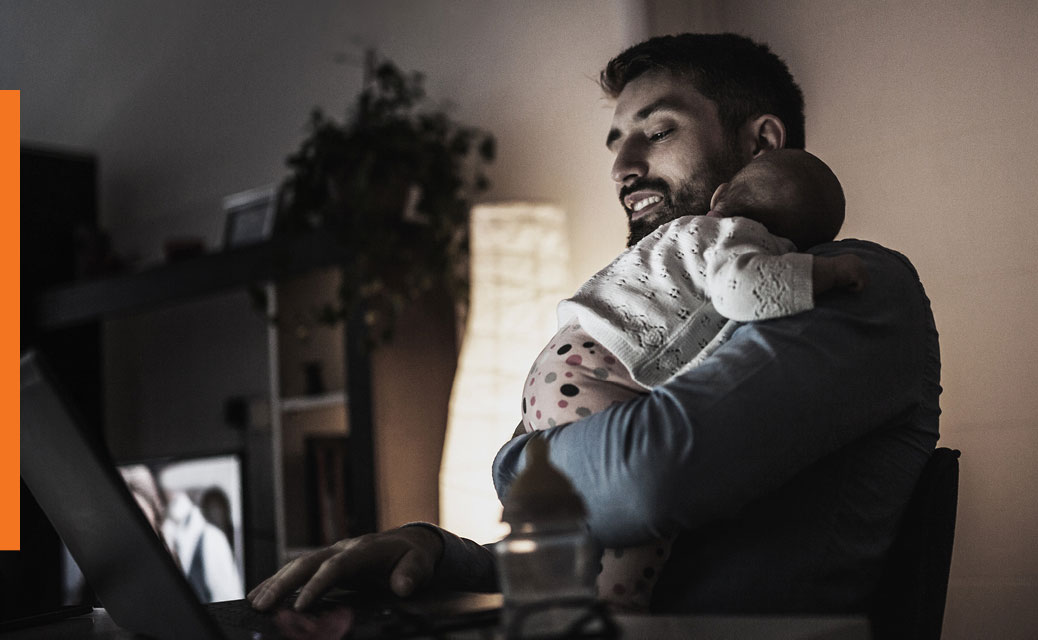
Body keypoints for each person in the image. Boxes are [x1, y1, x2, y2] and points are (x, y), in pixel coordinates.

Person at [249, 32, 940, 617]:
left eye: (658, 132)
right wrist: (437, 553)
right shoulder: (678, 323)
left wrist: (514, 463)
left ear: (762, 143)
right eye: (616, 141)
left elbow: (646, 480)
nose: (622, 165)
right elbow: (597, 556)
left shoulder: (857, 288)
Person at [523, 148, 865, 610]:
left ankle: (557, 602)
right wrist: (822, 273)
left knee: (580, 526)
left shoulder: (677, 235)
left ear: (719, 194)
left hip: (558, 365)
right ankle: (619, 610)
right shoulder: (741, 237)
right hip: (601, 372)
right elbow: (742, 291)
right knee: (640, 526)